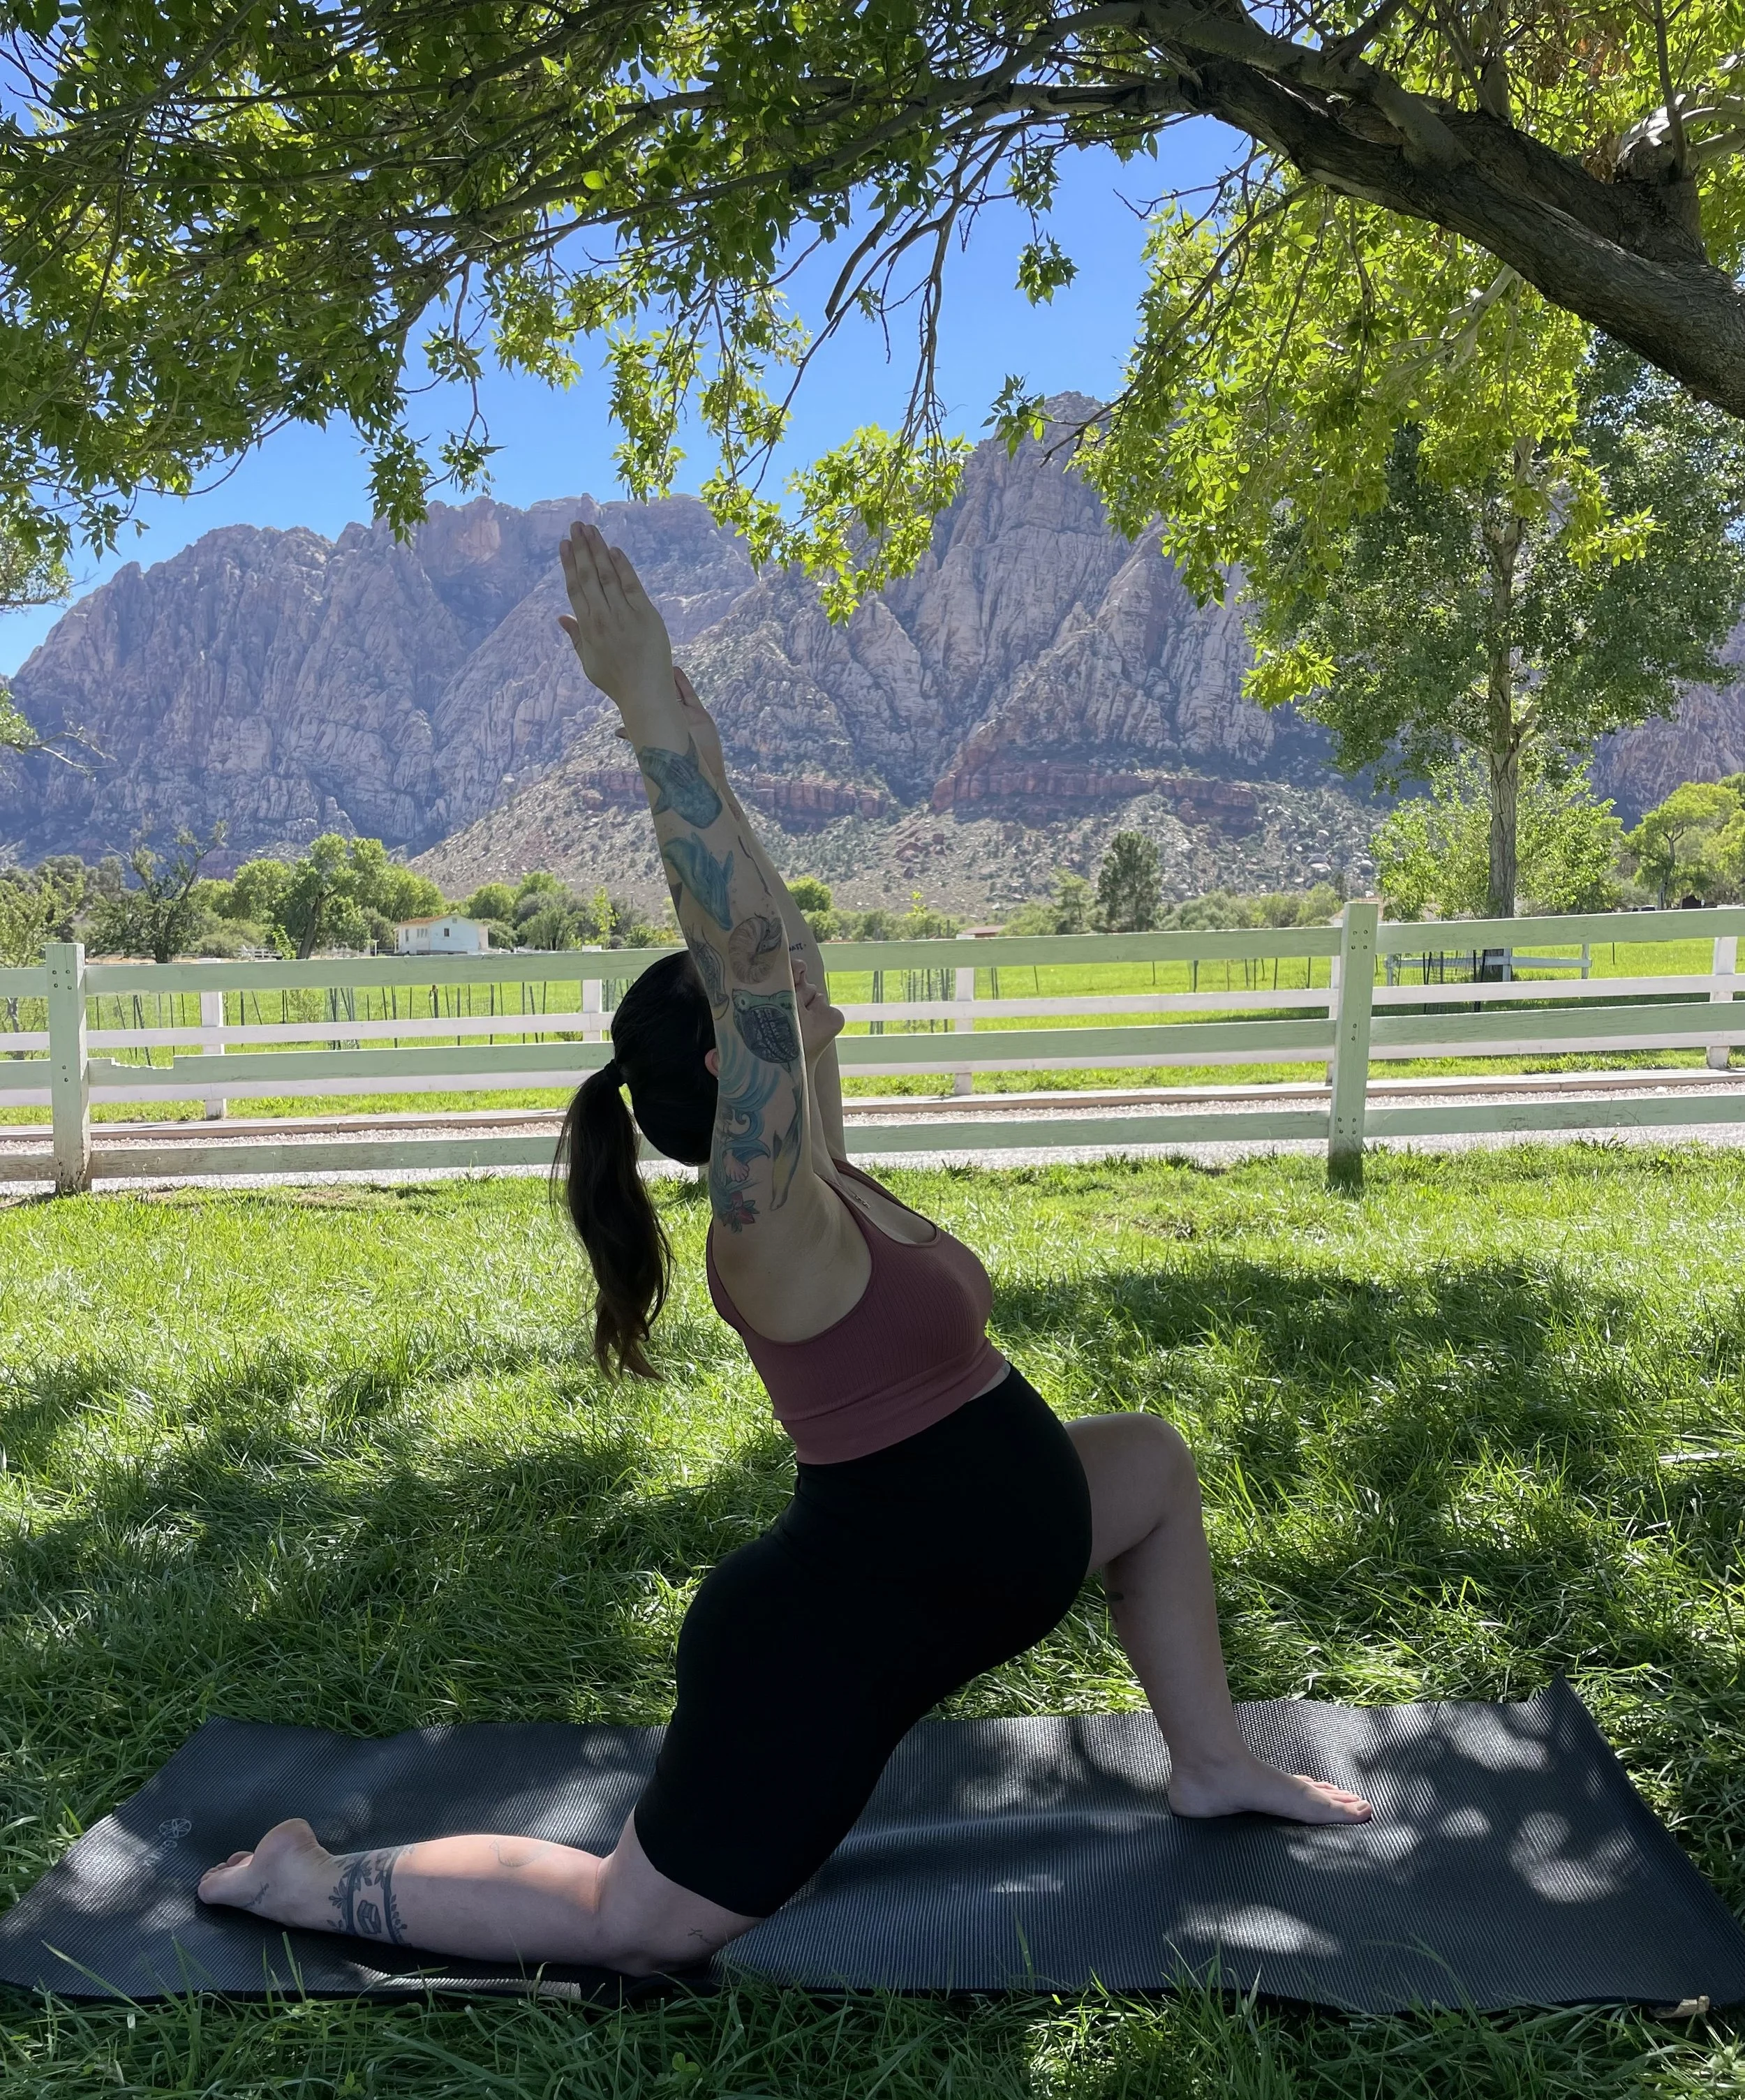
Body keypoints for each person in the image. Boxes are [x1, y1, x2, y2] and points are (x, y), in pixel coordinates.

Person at [199, 523, 1369, 1973]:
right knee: (634, 1925)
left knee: (1148, 1465)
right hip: (829, 1639)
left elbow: (763, 926)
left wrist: (679, 696)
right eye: (784, 997)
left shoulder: (818, 1157)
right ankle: (309, 1882)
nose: (816, 987)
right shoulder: (771, 1226)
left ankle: (1207, 1761)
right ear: (729, 1054)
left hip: (971, 1560)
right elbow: (747, 948)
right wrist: (639, 720)